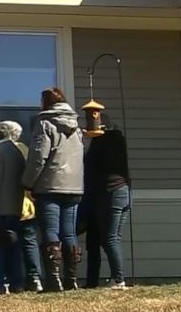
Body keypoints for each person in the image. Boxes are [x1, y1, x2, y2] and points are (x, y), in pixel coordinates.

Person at [22, 87, 84, 293]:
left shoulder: (45, 124)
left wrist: (28, 183)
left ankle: (54, 279)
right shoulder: (77, 128)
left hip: (49, 185)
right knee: (69, 232)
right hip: (74, 186)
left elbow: (39, 156)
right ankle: (72, 279)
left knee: (50, 230)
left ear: (46, 102)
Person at [0, 121, 42, 294]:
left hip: (0, 207)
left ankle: (0, 283)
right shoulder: (16, 151)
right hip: (16, 207)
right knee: (14, 247)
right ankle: (17, 282)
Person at [83, 113, 131, 290]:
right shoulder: (120, 140)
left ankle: (118, 280)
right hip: (124, 192)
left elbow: (90, 163)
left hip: (110, 192)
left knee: (109, 238)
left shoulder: (101, 141)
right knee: (115, 237)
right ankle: (117, 277)